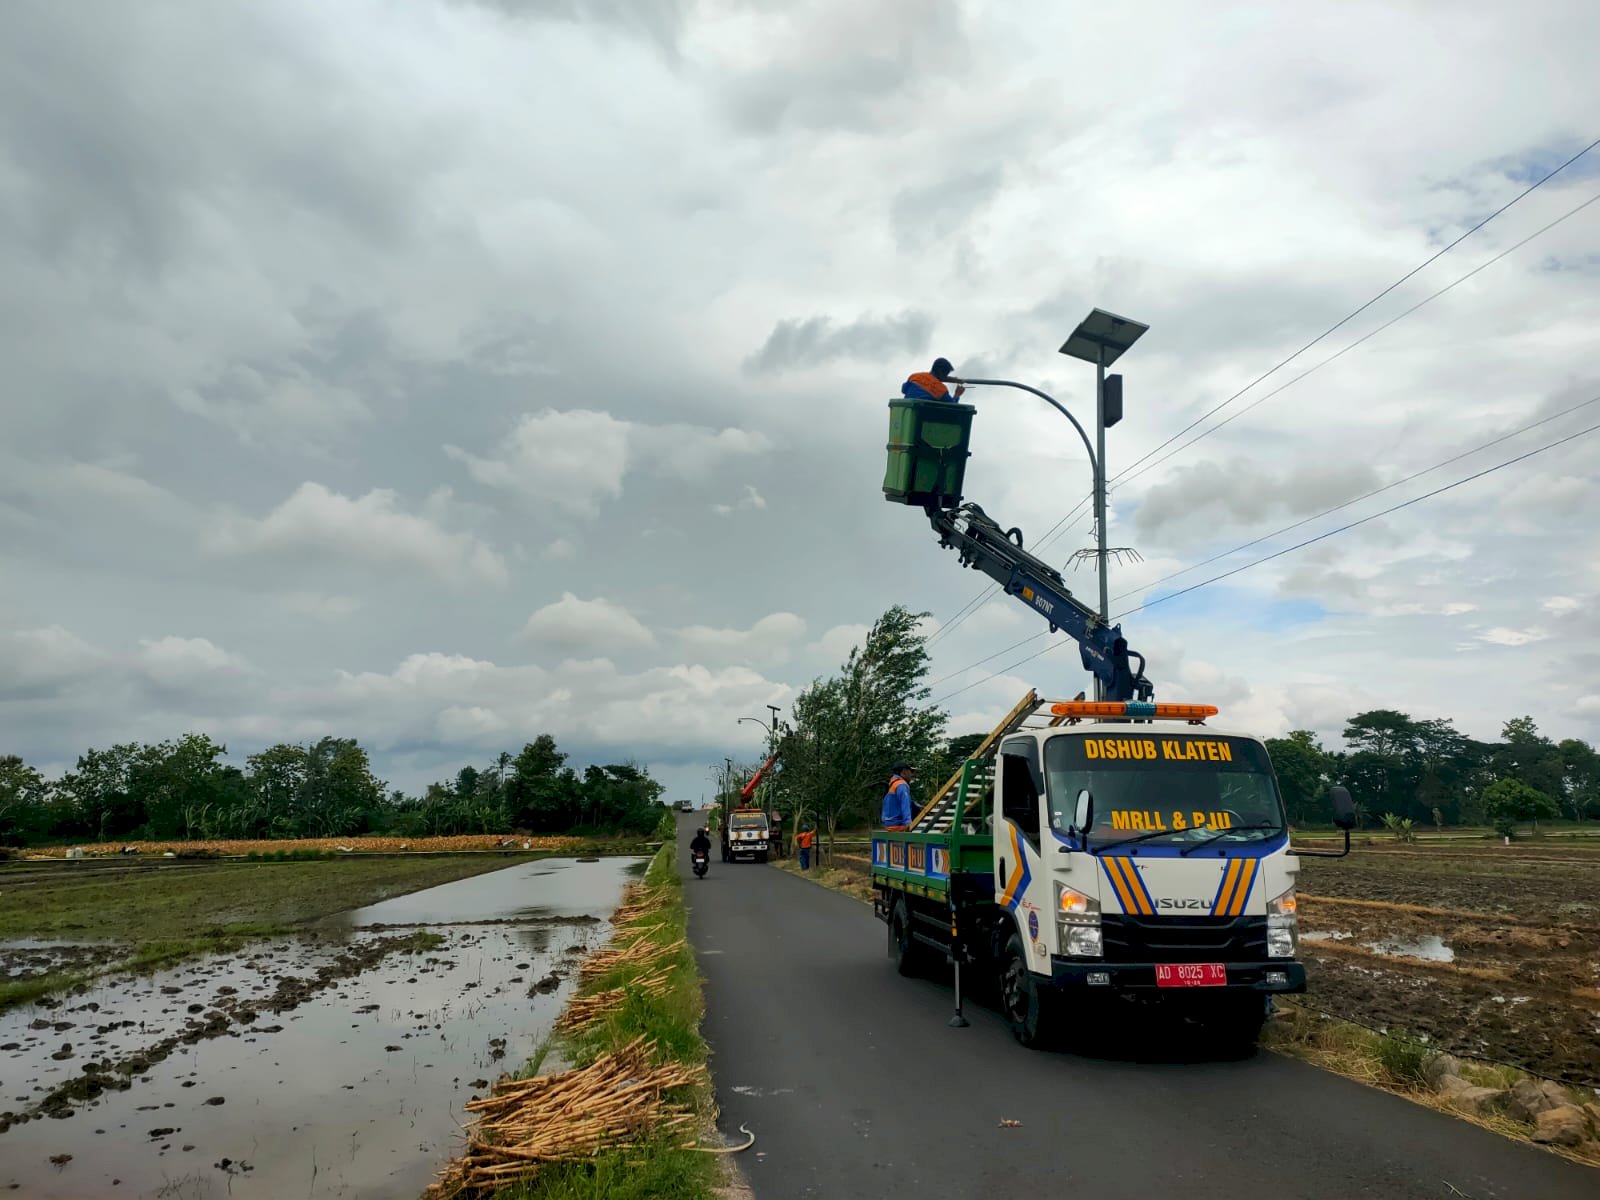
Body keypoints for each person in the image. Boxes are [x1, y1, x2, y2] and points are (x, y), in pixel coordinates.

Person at [901, 357, 967, 403]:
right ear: (940, 371)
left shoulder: (914, 376)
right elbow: (952, 405)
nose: (945, 376)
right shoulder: (941, 389)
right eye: (945, 374)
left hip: (907, 413)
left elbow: (903, 389)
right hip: (924, 419)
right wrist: (957, 394)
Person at [882, 762, 915, 831]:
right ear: (904, 772)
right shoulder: (902, 785)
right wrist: (908, 822)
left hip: (889, 823)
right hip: (898, 824)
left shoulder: (892, 784)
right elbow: (905, 804)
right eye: (911, 772)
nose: (912, 774)